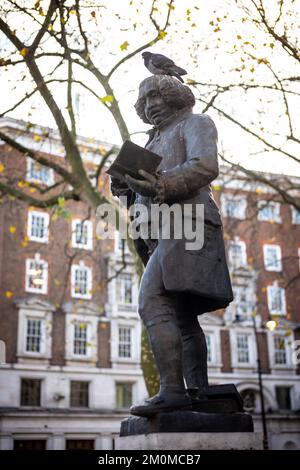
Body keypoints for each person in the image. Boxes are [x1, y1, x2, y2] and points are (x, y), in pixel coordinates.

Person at [111, 75, 233, 417]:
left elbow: (204, 166)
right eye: (144, 100)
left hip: (189, 226)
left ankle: (173, 391)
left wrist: (159, 184)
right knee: (181, 316)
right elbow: (144, 191)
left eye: (156, 96)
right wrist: (124, 186)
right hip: (158, 234)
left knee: (153, 301)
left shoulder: (196, 123)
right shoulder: (151, 142)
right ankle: (198, 391)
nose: (150, 105)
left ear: (176, 96)